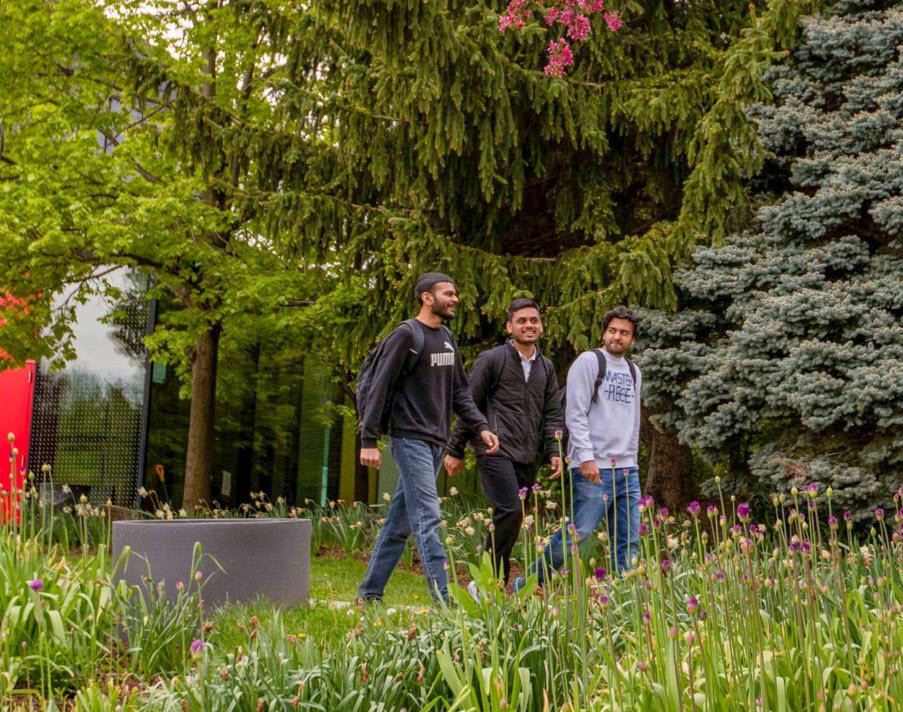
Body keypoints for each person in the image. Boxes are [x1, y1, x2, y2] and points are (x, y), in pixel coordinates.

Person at [357, 272, 500, 603]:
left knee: (400, 523)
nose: (455, 299)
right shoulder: (406, 336)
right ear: (426, 297)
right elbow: (380, 387)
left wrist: (481, 426)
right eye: (448, 293)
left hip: (436, 440)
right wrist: (368, 439)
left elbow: (461, 392)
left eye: (455, 293)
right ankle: (444, 599)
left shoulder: (447, 338)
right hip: (409, 439)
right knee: (428, 518)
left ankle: (369, 593)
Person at [516, 305, 642, 590]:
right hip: (593, 467)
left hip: (626, 470)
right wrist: (585, 457)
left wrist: (633, 462)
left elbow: (634, 420)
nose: (617, 337)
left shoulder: (635, 372)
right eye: (612, 331)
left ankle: (622, 596)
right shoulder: (589, 362)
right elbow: (575, 413)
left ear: (632, 339)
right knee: (579, 532)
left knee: (628, 538)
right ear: (604, 333)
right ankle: (527, 585)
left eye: (624, 333)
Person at [444, 298, 564, 598]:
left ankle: (491, 584)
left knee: (513, 519)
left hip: (528, 454)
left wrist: (553, 451)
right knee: (509, 510)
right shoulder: (493, 359)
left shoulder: (546, 367)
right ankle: (486, 583)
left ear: (541, 325)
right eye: (521, 320)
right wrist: (455, 449)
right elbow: (469, 404)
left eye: (534, 320)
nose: (529, 325)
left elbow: (552, 414)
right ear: (509, 326)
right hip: (494, 449)